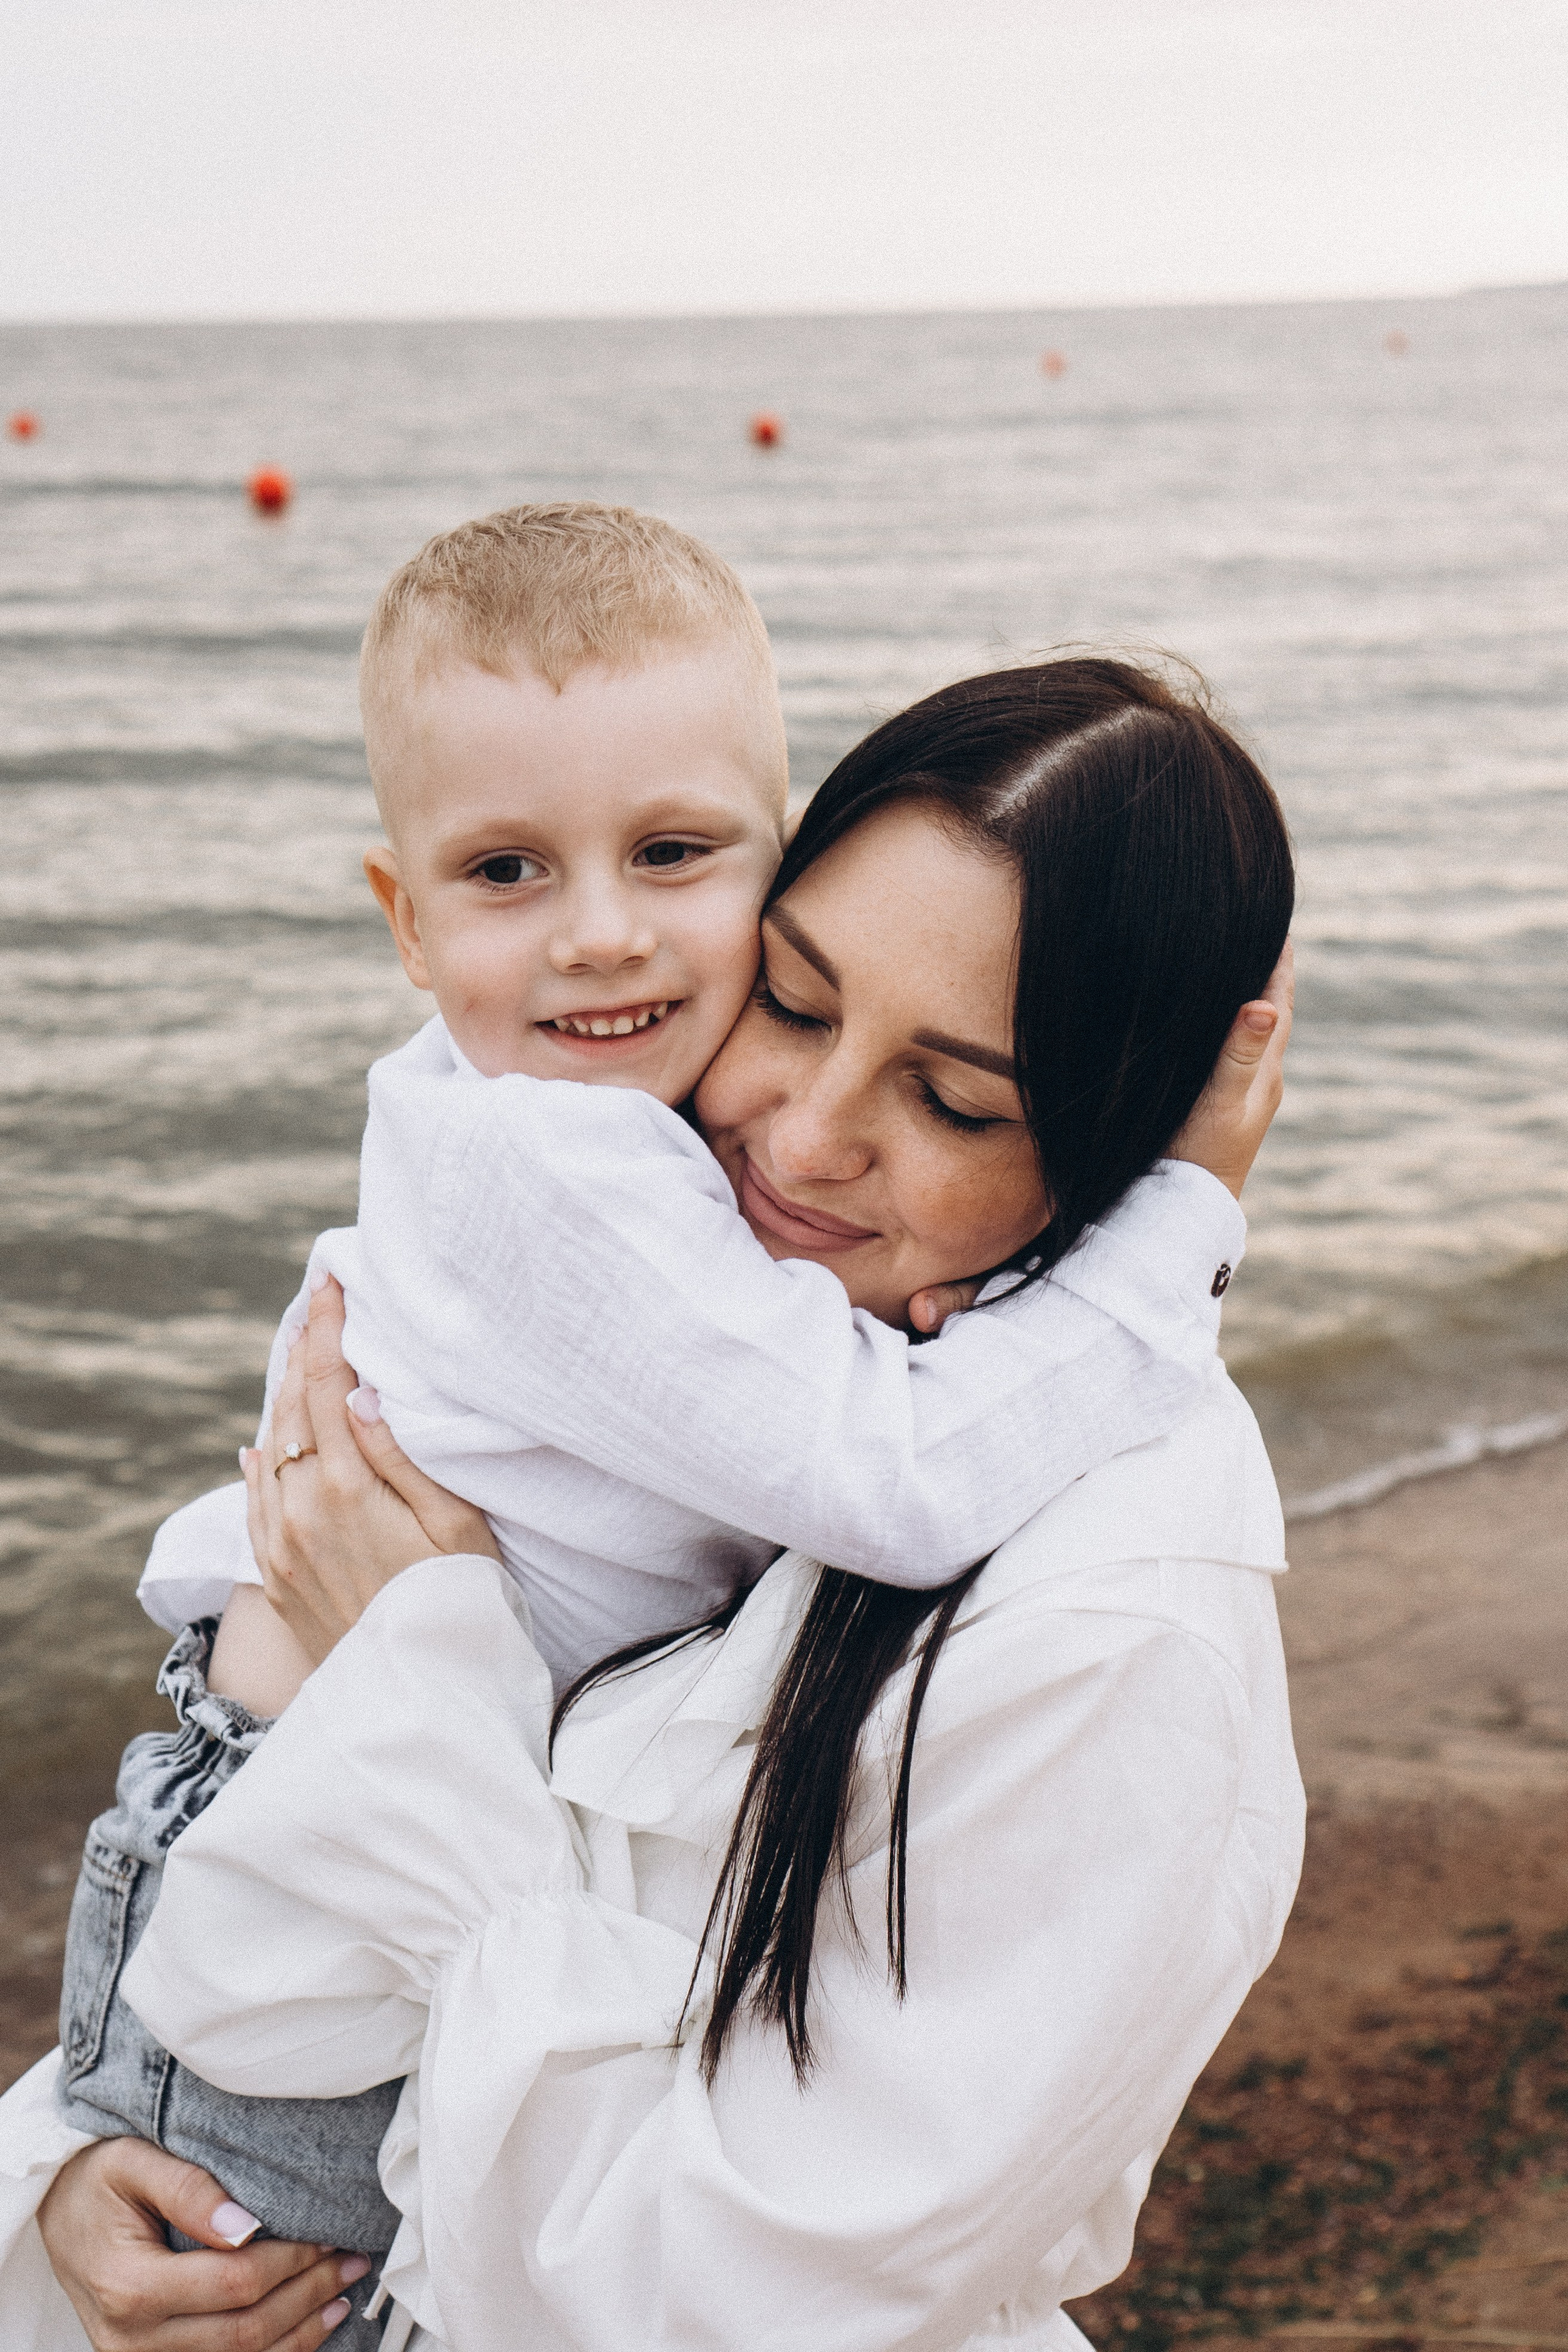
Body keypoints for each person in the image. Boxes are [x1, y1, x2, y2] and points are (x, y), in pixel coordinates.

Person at [34, 514, 1268, 2345]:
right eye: (795, 999)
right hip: (285, 1875)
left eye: (949, 1095)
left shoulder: (1114, 1619)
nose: (799, 1136)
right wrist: (74, 2170)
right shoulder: (594, 1175)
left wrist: (419, 1665)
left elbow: (751, 2266)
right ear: (407, 913)